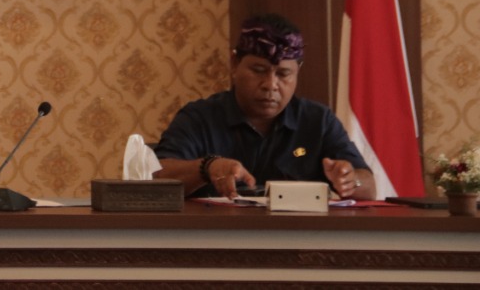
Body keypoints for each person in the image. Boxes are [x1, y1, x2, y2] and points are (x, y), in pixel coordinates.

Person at [154, 13, 374, 200]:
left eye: (283, 74)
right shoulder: (198, 118)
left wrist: (350, 180)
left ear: (297, 72)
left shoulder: (318, 121)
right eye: (258, 71)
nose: (270, 85)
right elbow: (156, 178)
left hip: (298, 235)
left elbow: (369, 187)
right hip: (217, 234)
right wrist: (207, 168)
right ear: (234, 64)